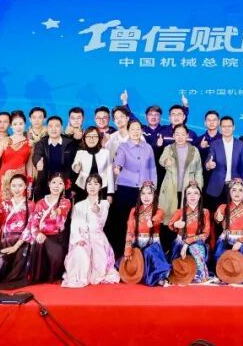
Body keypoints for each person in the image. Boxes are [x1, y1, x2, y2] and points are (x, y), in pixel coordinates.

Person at [110, 119, 158, 258]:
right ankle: (121, 254)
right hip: (126, 189)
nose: (136, 132)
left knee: (142, 222)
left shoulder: (148, 148)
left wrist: (153, 187)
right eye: (133, 129)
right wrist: (117, 167)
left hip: (144, 191)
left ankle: (139, 254)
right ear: (128, 131)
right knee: (124, 221)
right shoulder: (123, 147)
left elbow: (152, 168)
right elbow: (118, 162)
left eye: (138, 129)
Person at [63, 175, 120, 287]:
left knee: (100, 269)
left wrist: (98, 211)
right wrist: (78, 239)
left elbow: (101, 223)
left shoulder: (104, 204)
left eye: (96, 184)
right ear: (85, 186)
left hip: (97, 238)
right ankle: (80, 276)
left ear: (100, 186)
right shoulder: (79, 205)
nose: (92, 186)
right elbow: (74, 225)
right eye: (89, 184)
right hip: (82, 238)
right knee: (79, 251)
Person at [25, 172, 72, 285]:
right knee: (39, 243)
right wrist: (37, 234)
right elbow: (34, 223)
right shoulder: (40, 203)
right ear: (49, 184)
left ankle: (54, 276)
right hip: (42, 237)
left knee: (57, 254)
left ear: (64, 186)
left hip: (57, 237)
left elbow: (62, 209)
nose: (56, 186)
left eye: (60, 183)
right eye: (54, 182)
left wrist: (56, 212)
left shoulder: (65, 202)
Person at [122, 181, 171, 286]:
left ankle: (158, 277)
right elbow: (130, 231)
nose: (146, 197)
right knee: (130, 264)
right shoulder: (134, 210)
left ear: (154, 196)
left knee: (150, 254)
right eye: (143, 193)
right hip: (137, 243)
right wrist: (127, 249)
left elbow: (158, 218)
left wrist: (152, 221)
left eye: (149, 193)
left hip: (152, 244)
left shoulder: (158, 211)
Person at [0, 174, 34, 288]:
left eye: (20, 185)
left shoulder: (31, 205)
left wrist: (16, 246)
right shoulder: (6, 203)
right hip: (6, 239)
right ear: (9, 186)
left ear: (25, 186)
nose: (17, 189)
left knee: (21, 260)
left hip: (22, 241)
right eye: (14, 186)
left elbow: (30, 226)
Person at [213, 178, 243, 283]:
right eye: (234, 190)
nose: (237, 193)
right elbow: (217, 219)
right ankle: (221, 273)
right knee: (219, 252)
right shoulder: (223, 207)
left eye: (240, 190)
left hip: (242, 238)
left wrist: (241, 241)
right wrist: (218, 218)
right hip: (226, 238)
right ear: (229, 192)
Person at [159, 124, 205, 221]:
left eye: (183, 134)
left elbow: (198, 170)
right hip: (171, 187)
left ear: (187, 135)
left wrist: (198, 186)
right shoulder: (168, 148)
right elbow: (161, 160)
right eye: (177, 134)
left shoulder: (194, 150)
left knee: (186, 217)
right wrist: (166, 161)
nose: (180, 137)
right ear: (173, 136)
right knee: (169, 217)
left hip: (189, 188)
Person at [203, 116, 243, 213]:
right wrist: (208, 165)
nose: (227, 129)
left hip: (235, 187)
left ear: (234, 127)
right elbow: (209, 159)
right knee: (216, 216)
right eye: (224, 126)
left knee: (233, 216)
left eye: (229, 126)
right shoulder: (214, 144)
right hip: (217, 186)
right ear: (220, 128)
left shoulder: (241, 145)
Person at [169, 181, 212, 283]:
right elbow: (171, 224)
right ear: (185, 196)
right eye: (189, 193)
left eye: (195, 193)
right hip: (180, 242)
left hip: (197, 241)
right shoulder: (179, 212)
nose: (192, 196)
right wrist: (176, 224)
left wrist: (188, 242)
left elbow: (206, 233)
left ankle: (200, 275)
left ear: (200, 196)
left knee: (195, 248)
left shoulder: (205, 212)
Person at [0, 111, 33, 205]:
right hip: (4, 178)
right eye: (15, 124)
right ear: (11, 126)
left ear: (25, 124)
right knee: (3, 206)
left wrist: (30, 184)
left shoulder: (30, 143)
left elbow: (29, 165)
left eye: (21, 124)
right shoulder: (4, 141)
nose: (18, 127)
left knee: (19, 207)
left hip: (21, 180)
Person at [69, 127, 112, 202]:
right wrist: (76, 168)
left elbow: (109, 173)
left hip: (102, 188)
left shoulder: (106, 153)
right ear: (84, 138)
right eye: (88, 136)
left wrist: (110, 193)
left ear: (99, 138)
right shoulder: (80, 153)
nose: (91, 139)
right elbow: (74, 167)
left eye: (94, 136)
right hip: (82, 187)